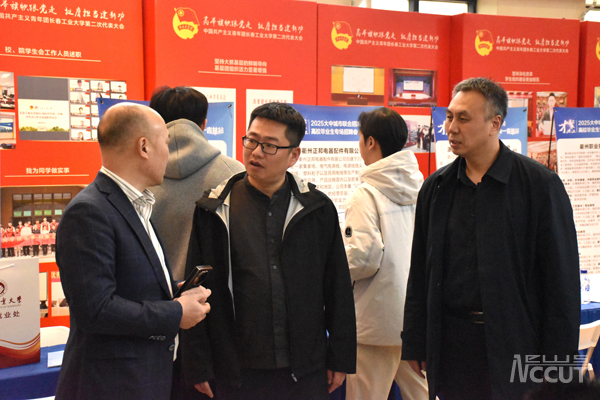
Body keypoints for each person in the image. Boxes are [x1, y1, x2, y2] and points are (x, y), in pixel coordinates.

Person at [401, 77, 580, 400]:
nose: (451, 128)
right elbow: (420, 272)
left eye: (464, 118)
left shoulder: (539, 186)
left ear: (495, 124)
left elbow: (561, 284)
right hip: (454, 344)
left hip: (518, 343)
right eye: (450, 117)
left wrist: (558, 368)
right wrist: (415, 341)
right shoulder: (437, 188)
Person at [181, 102, 356, 399]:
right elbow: (195, 288)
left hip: (304, 368)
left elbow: (337, 286)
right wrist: (197, 363)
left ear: (294, 155)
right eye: (251, 140)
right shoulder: (214, 209)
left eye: (270, 146)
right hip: (236, 370)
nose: (256, 152)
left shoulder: (317, 208)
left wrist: (340, 356)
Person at [54, 103, 212, 400]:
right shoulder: (89, 211)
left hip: (141, 378)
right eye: (165, 143)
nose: (169, 153)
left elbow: (129, 286)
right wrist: (176, 312)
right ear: (144, 147)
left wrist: (174, 290)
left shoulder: (135, 205)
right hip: (110, 386)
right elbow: (96, 310)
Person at [343, 108, 427, 400]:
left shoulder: (365, 194)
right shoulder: (422, 187)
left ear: (370, 142)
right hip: (414, 316)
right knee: (422, 394)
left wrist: (332, 269)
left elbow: (363, 257)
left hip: (375, 321)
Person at [149, 86, 244, 280]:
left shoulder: (136, 175)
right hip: (213, 291)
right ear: (204, 124)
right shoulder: (234, 173)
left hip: (150, 293)